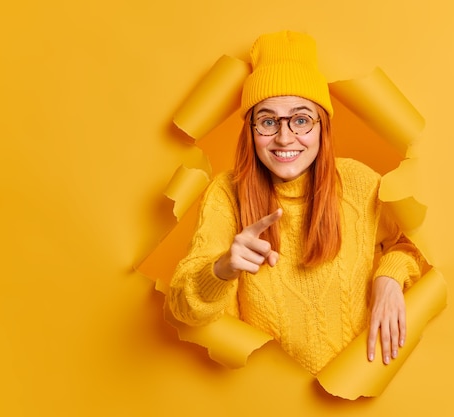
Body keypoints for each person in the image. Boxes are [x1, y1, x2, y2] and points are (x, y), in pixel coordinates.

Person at [168, 30, 425, 376]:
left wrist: (389, 278)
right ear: (250, 130)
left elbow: (410, 246)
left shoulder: (359, 184)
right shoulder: (226, 194)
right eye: (268, 120)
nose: (285, 137)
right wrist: (223, 268)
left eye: (301, 119)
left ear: (322, 127)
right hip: (266, 400)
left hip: (356, 391)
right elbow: (182, 308)